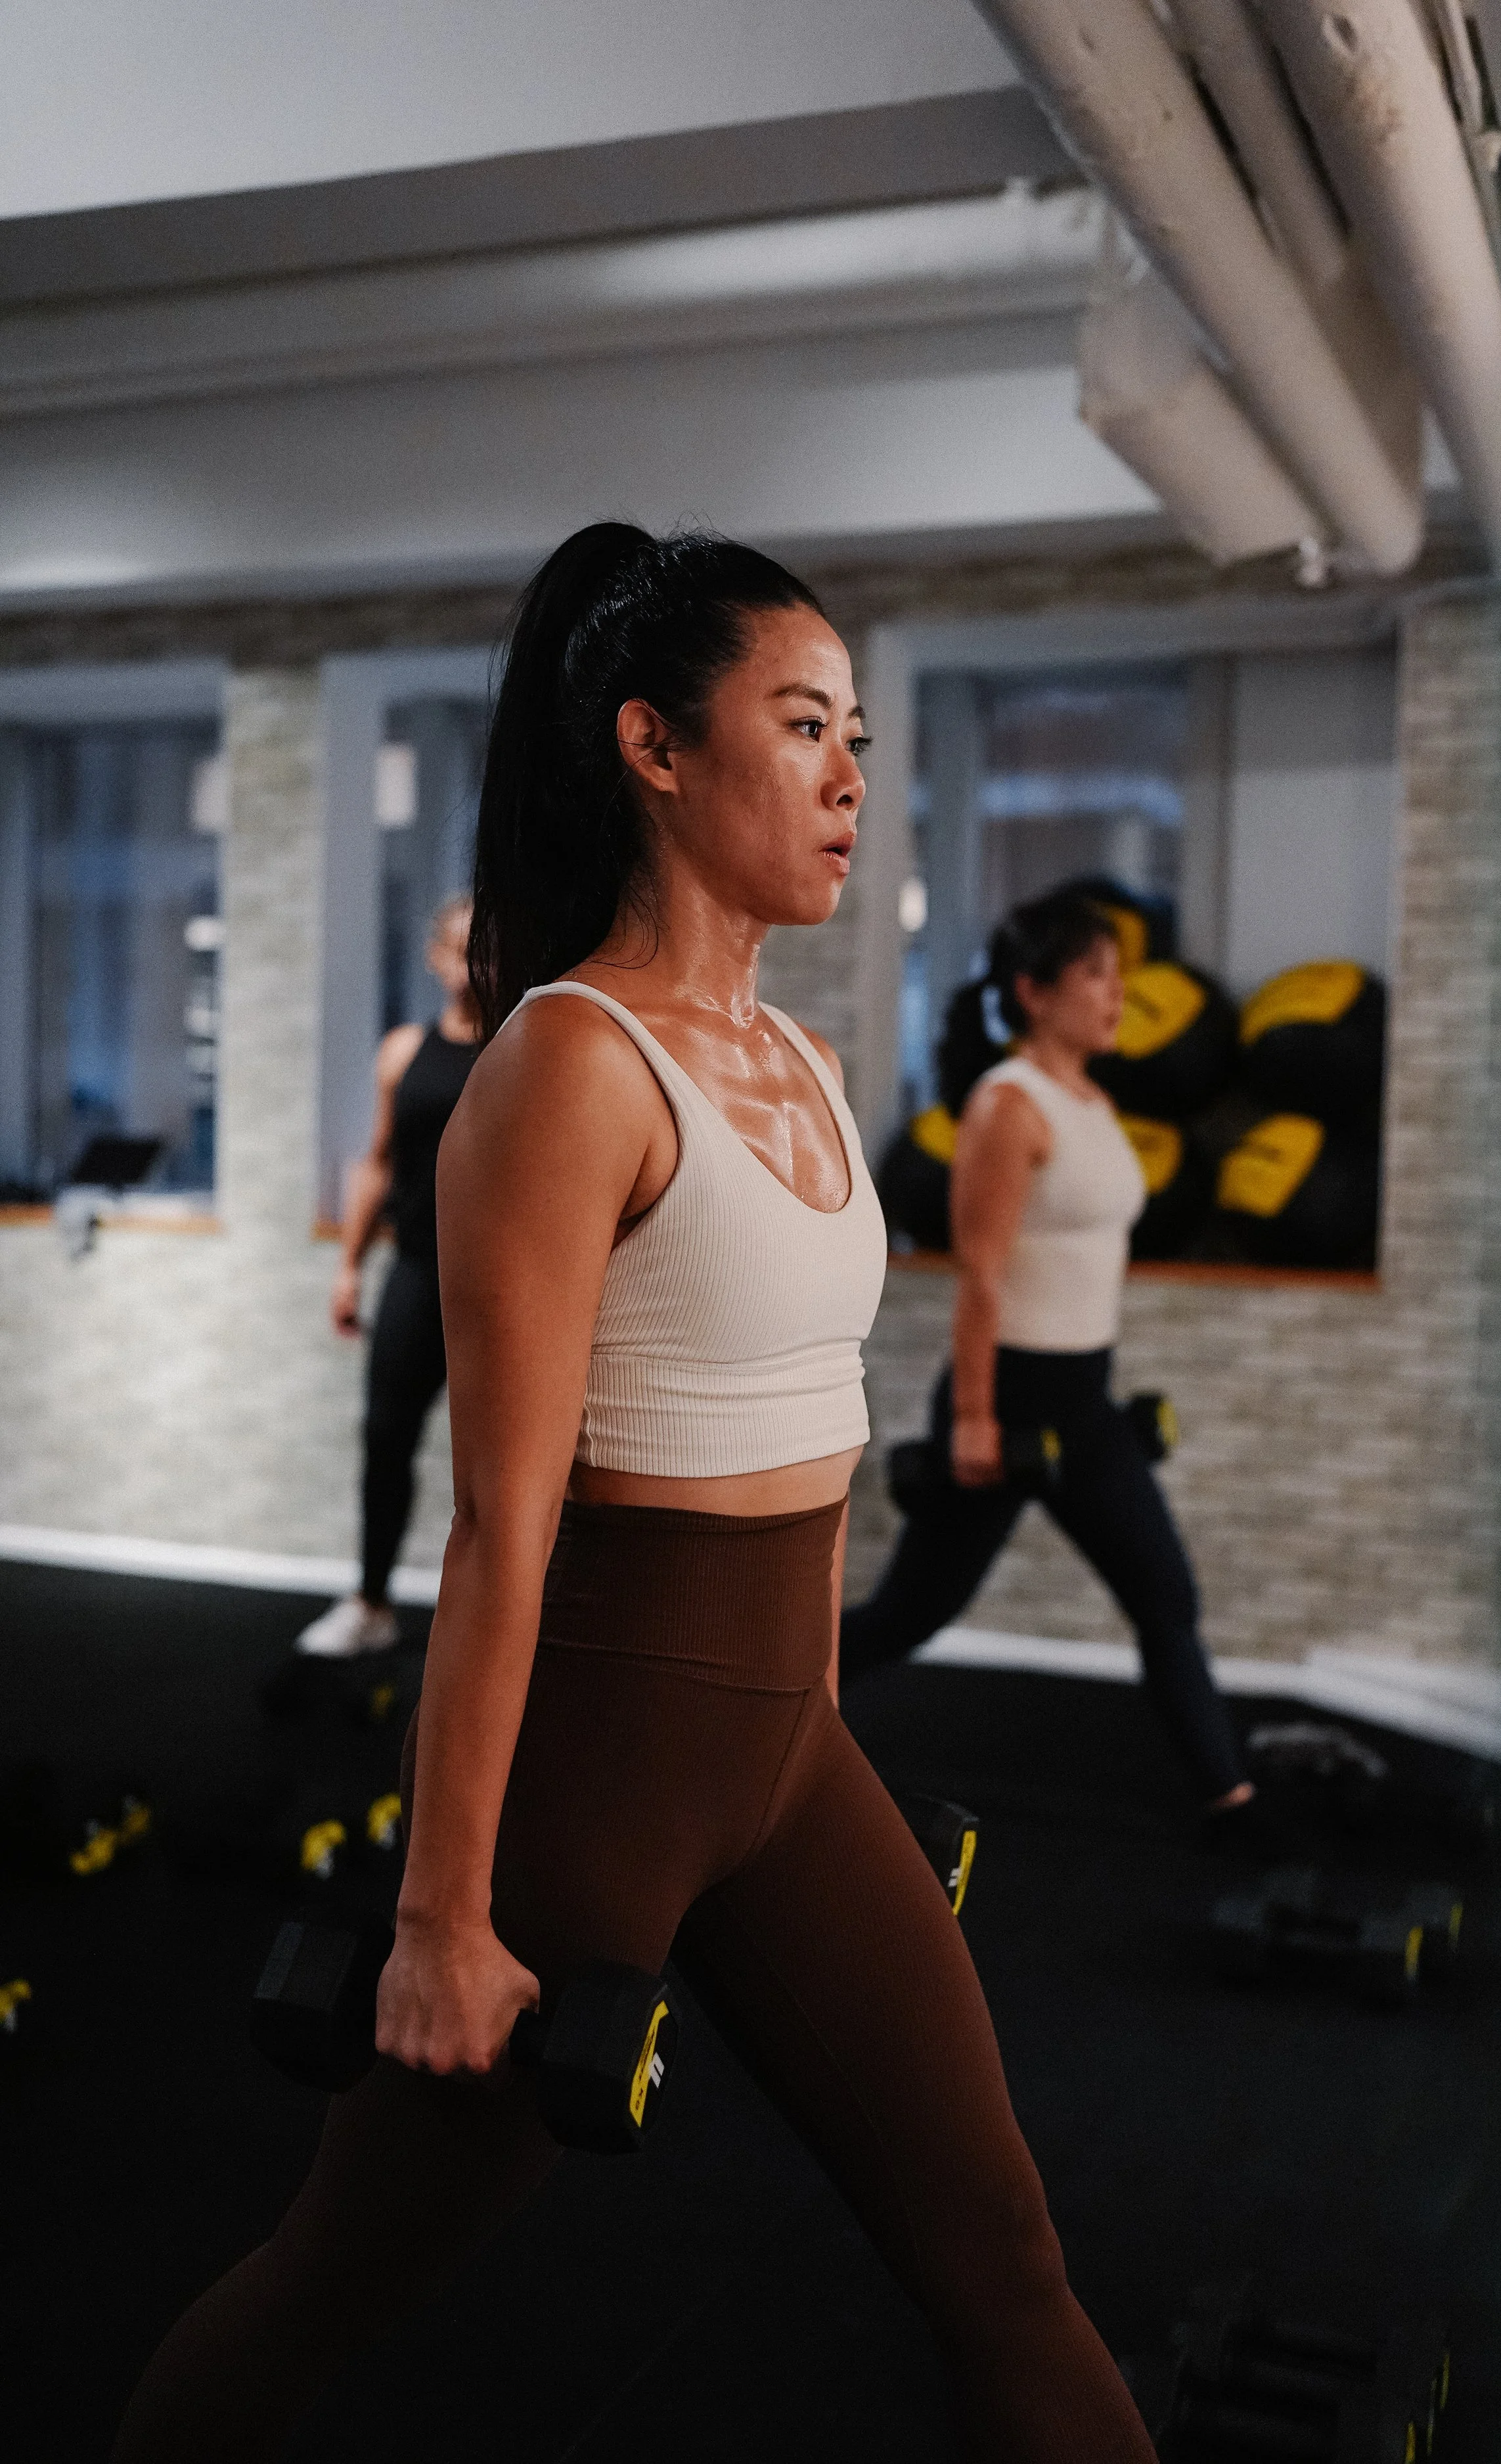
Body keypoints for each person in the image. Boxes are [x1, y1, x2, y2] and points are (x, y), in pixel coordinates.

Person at [114, 528, 1155, 2464]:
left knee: (1003, 2253)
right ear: (654, 749)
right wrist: (437, 1912)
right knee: (328, 2277)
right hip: (590, 1778)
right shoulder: (564, 1067)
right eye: (798, 725)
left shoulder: (805, 1062)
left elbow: (826, 1434)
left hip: (781, 1754)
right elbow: (503, 1521)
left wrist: (820, 1736)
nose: (851, 773)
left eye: (857, 732)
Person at [840, 887, 1255, 1835]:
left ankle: (1231, 1797)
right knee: (912, 1612)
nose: (1119, 995)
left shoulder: (1094, 1101)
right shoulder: (1006, 1106)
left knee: (1166, 1594)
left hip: (1086, 1399)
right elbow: (981, 1274)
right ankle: (760, 1724)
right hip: (1009, 1397)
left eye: (1122, 974)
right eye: (1096, 976)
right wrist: (977, 1419)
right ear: (1034, 991)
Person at [294, 894, 482, 1659]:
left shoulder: (526, 1046)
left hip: (498, 1283)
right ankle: (371, 1602)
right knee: (383, 1437)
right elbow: (378, 1163)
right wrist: (347, 1268)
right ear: (437, 959)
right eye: (465, 948)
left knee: (503, 1462)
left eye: (493, 945)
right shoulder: (404, 1052)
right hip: (415, 1269)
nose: (480, 961)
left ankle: (506, 1623)